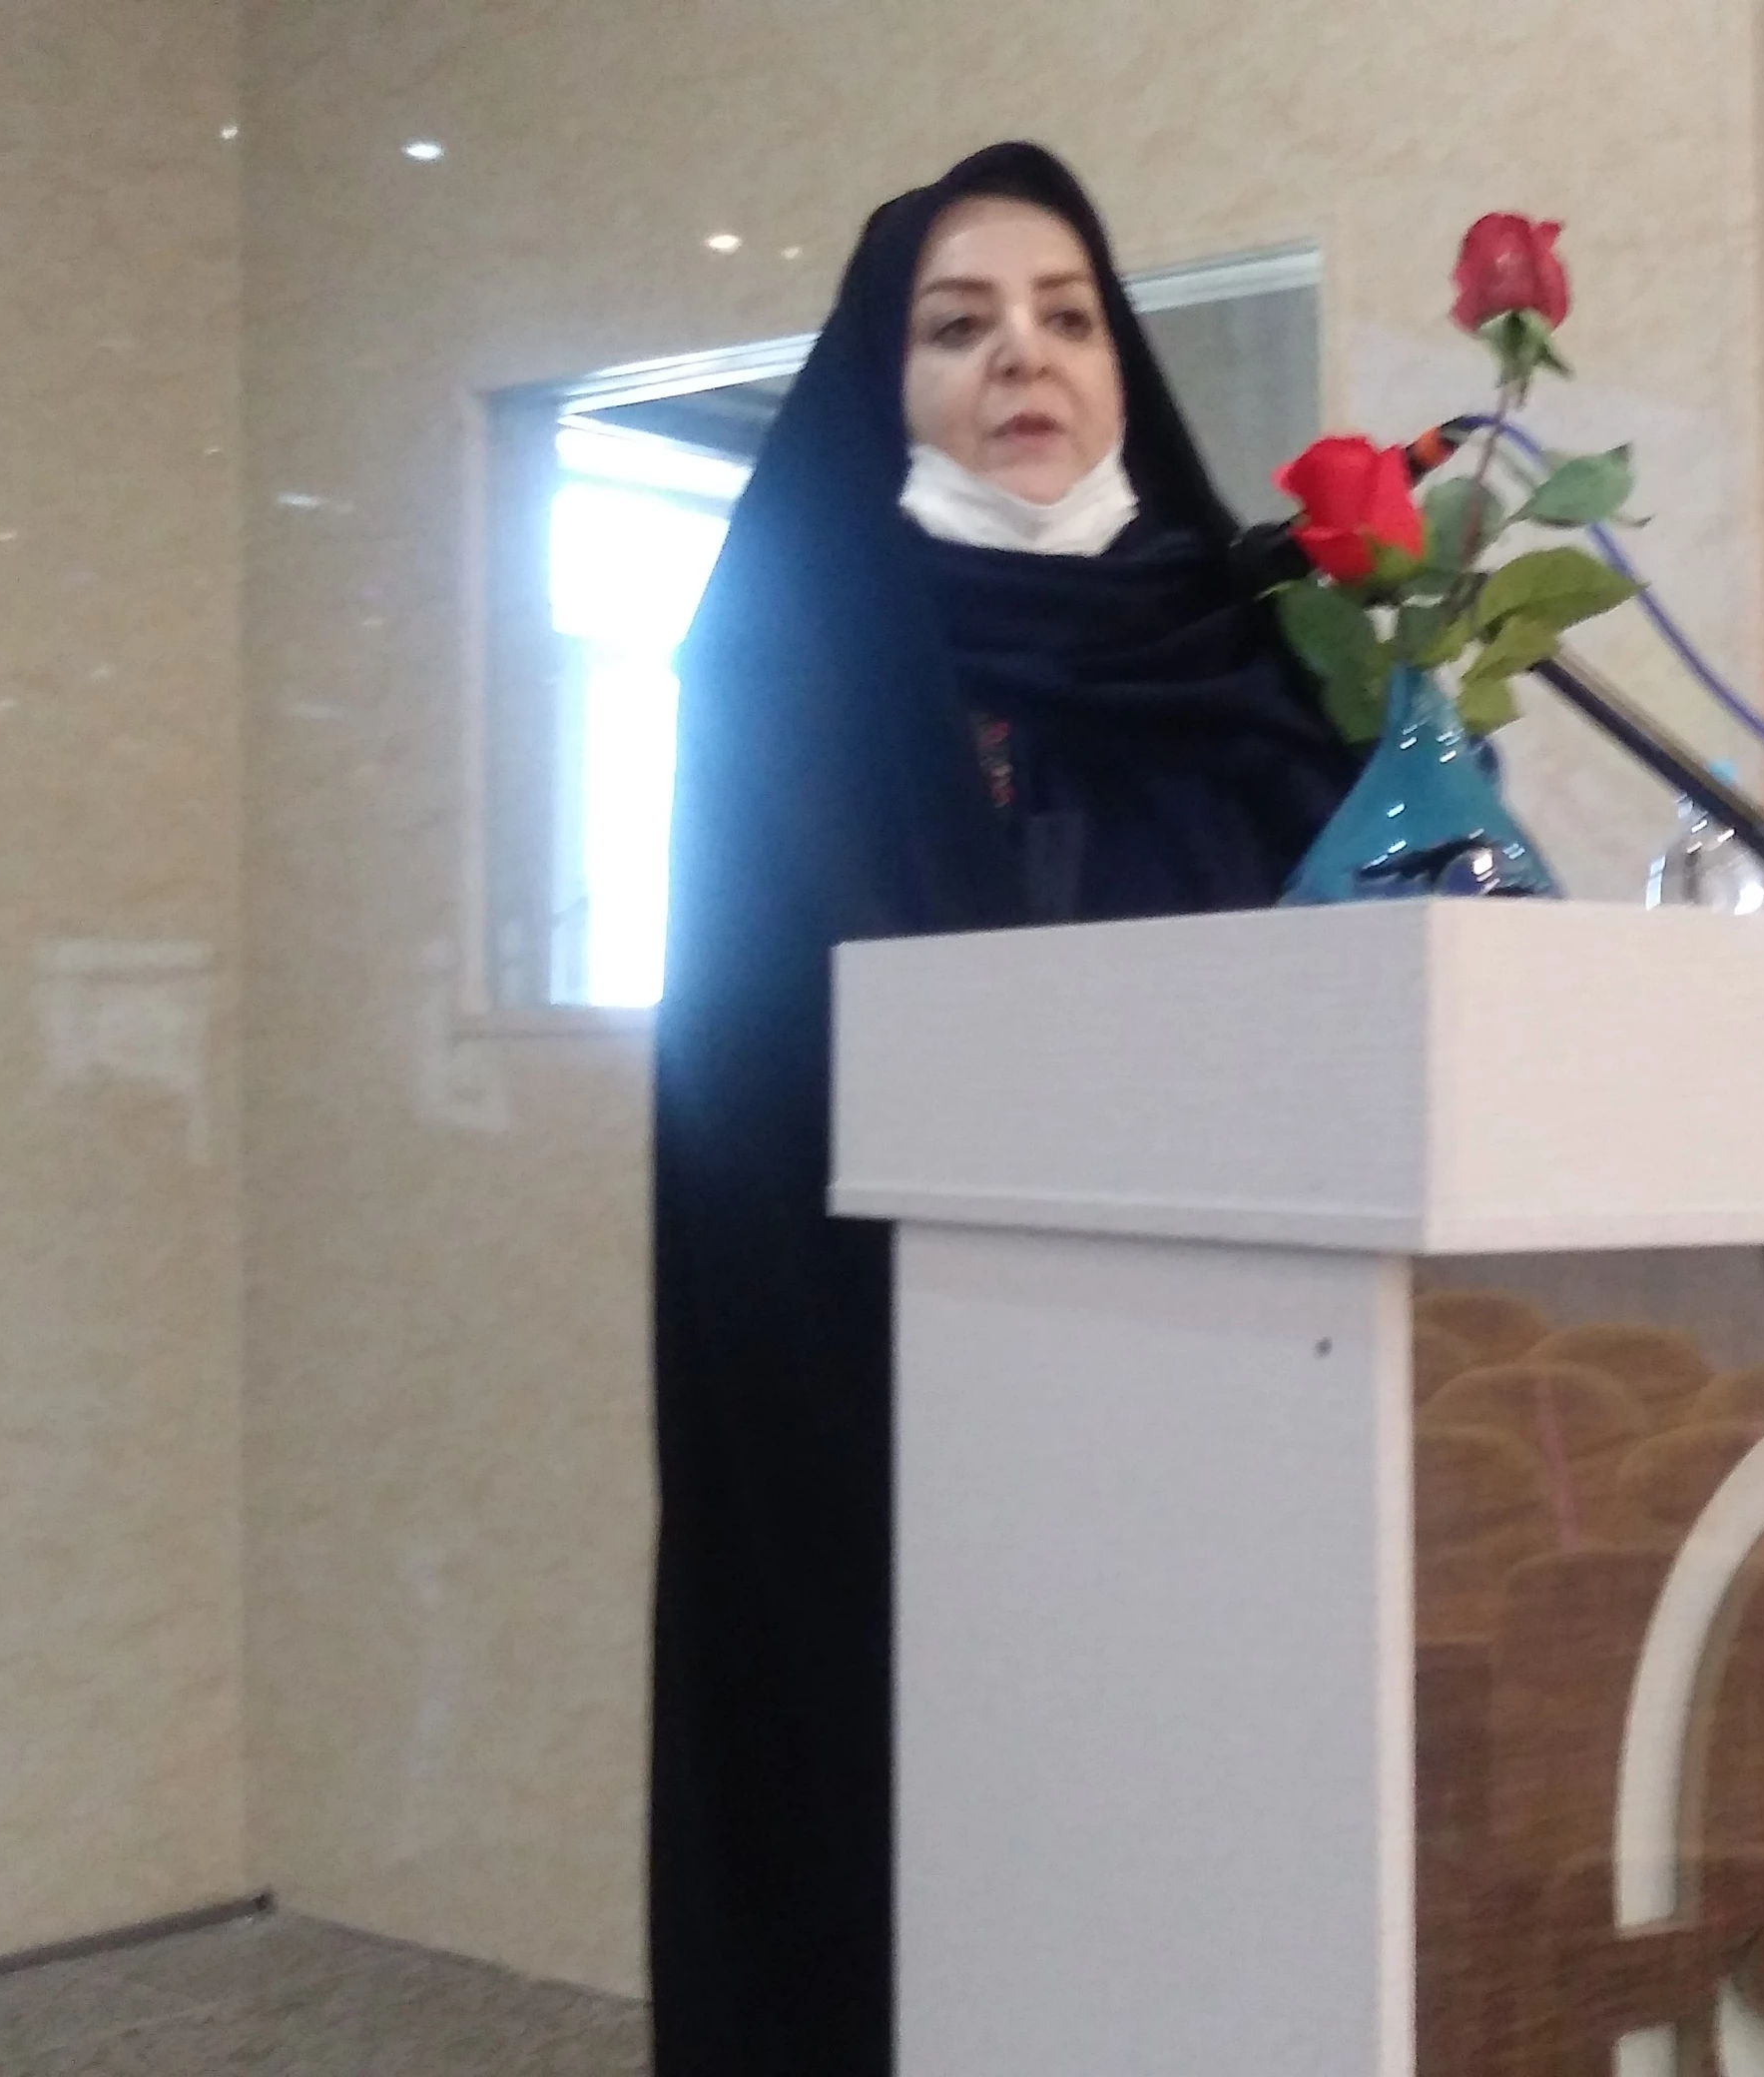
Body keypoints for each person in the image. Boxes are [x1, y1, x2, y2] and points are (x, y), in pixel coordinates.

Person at [645, 142, 1356, 2077]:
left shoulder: (1255, 655)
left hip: (1250, 1408)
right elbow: (767, 1061)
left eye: (1068, 317)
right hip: (902, 1390)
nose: (1023, 356)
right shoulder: (801, 659)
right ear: (888, 384)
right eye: (958, 327)